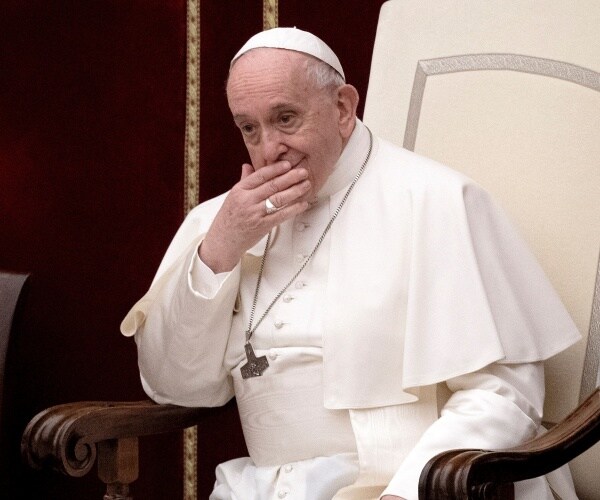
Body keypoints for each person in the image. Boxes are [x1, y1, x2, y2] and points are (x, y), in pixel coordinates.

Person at [121, 28, 581, 500]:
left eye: (285, 118)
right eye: (249, 128)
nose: (268, 148)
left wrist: (408, 492)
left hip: (403, 481)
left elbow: (503, 396)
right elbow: (174, 385)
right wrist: (220, 248)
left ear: (342, 108)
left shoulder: (436, 201)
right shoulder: (222, 222)